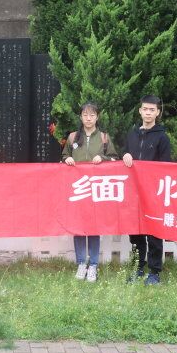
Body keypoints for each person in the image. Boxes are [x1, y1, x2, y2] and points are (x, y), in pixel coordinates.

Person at [62, 102, 119, 283]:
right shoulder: (72, 137)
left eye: (92, 115)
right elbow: (64, 157)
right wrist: (67, 158)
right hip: (78, 189)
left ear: (97, 117)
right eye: (85, 115)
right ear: (81, 117)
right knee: (78, 227)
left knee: (94, 227)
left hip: (96, 190)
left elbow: (114, 159)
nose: (88, 118)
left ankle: (93, 265)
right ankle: (81, 263)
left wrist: (102, 158)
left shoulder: (103, 138)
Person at [122, 95, 172, 285]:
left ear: (158, 112)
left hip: (154, 192)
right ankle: (138, 267)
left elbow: (166, 165)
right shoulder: (132, 134)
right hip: (133, 191)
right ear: (140, 111)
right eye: (145, 109)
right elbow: (125, 154)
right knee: (135, 232)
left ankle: (154, 272)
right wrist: (125, 155)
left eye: (152, 110)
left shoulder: (162, 137)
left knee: (154, 232)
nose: (148, 113)